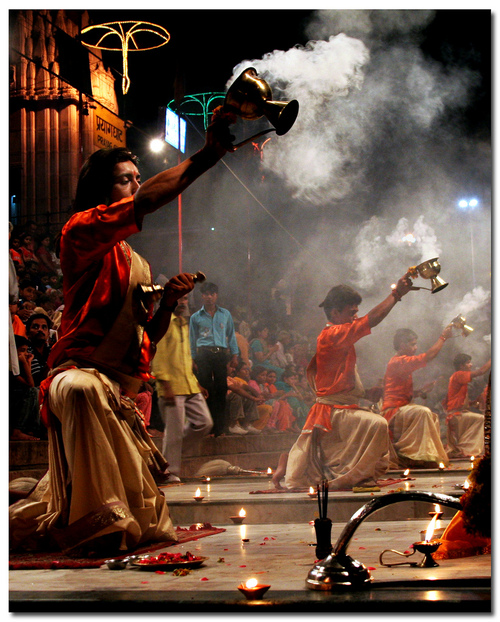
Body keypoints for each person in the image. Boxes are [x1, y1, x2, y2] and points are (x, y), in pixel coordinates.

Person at [9, 108, 234, 556]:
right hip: (77, 371)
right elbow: (150, 199)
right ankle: (92, 523)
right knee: (80, 390)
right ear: (101, 192)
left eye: (137, 177)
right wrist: (206, 156)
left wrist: (168, 301)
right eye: (125, 179)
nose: (136, 185)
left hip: (122, 386)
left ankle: (93, 512)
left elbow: (146, 331)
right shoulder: (80, 232)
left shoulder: (137, 262)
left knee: (145, 519)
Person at [283, 274, 414, 491]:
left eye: (356, 312)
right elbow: (370, 320)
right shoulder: (332, 334)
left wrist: (365, 394)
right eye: (351, 312)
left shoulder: (339, 335)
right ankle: (356, 477)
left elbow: (339, 381)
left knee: (376, 420)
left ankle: (356, 472)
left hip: (341, 405)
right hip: (332, 411)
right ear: (335, 313)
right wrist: (396, 294)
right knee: (378, 423)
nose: (356, 316)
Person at [151, 294, 213, 482]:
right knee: (174, 430)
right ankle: (170, 471)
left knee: (204, 423)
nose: (183, 302)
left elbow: (185, 358)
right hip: (171, 385)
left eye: (186, 299)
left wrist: (196, 383)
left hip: (188, 383)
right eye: (179, 298)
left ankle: (164, 458)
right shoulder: (163, 321)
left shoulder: (184, 324)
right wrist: (165, 383)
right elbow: (159, 355)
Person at [381, 327, 452, 468]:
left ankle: (423, 456)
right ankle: (414, 455)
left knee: (432, 416)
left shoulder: (401, 362)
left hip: (401, 409)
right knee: (423, 412)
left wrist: (420, 392)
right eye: (412, 344)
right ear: (402, 345)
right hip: (392, 411)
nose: (416, 347)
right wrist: (443, 337)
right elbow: (428, 356)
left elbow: (402, 393)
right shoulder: (398, 361)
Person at [189, 281, 239, 437]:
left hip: (220, 354)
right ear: (202, 296)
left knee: (221, 389)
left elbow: (231, 335)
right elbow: (192, 339)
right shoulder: (196, 317)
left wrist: (235, 355)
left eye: (212, 294)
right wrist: (192, 358)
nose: (209, 297)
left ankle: (220, 428)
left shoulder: (225, 314)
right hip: (203, 354)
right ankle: (207, 428)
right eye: (206, 294)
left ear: (216, 296)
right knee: (206, 390)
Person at [443, 353, 491, 458]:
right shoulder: (458, 375)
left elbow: (460, 401)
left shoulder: (460, 378)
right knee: (482, 419)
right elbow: (481, 371)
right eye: (468, 363)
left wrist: (473, 403)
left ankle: (466, 447)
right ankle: (465, 449)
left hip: (461, 413)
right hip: (456, 415)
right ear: (461, 366)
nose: (471, 365)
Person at [225, 360, 265, 435]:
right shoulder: (221, 378)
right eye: (230, 367)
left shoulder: (230, 378)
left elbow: (246, 387)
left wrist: (257, 395)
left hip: (232, 403)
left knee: (248, 394)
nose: (233, 369)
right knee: (236, 396)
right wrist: (253, 398)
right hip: (223, 404)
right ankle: (233, 425)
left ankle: (246, 425)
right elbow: (237, 389)